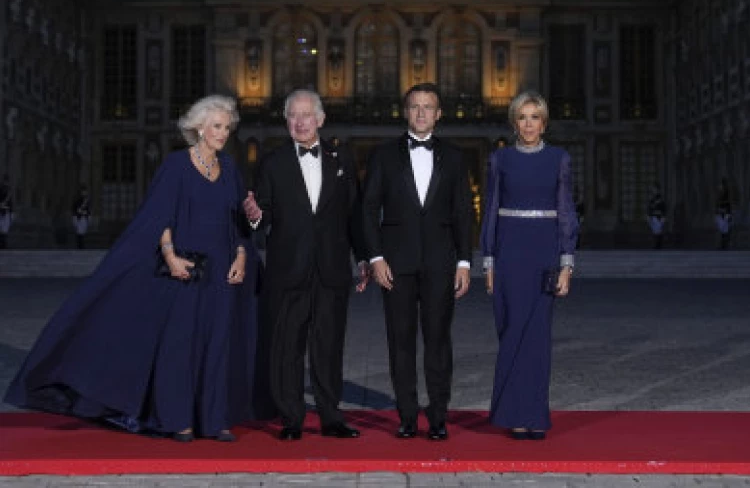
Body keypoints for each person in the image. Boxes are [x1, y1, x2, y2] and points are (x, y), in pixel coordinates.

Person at [5, 95, 270, 442]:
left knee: (217, 345)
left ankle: (214, 418)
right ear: (199, 128)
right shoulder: (177, 165)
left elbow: (237, 221)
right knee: (180, 346)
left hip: (223, 272)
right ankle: (179, 420)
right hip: (186, 270)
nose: (223, 133)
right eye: (217, 126)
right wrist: (170, 255)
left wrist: (241, 255)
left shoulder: (231, 169)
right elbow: (159, 216)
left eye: (227, 127)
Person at [243, 89, 369, 441]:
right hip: (288, 270)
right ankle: (291, 419)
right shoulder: (272, 162)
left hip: (331, 269)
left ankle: (331, 417)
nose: (300, 122)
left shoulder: (341, 157)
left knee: (328, 345)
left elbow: (354, 216)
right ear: (286, 122)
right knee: (287, 346)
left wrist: (364, 258)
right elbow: (261, 214)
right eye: (293, 116)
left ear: (320, 119)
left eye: (306, 115)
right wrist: (254, 217)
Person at [362, 82, 472, 441]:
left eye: (428, 107)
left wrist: (465, 261)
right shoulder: (383, 155)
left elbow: (462, 213)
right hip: (395, 264)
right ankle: (407, 416)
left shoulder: (455, 157)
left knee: (439, 342)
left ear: (439, 114)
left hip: (441, 263)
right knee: (401, 343)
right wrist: (375, 256)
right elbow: (367, 210)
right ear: (404, 112)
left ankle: (438, 416)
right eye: (414, 107)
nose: (421, 113)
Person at [480, 90, 577, 440]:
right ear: (514, 122)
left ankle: (534, 414)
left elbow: (566, 211)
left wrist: (567, 263)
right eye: (522, 117)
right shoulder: (499, 160)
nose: (529, 123)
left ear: (544, 122)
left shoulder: (559, 159)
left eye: (535, 116)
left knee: (536, 338)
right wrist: (488, 261)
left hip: (543, 254)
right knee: (511, 334)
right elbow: (490, 211)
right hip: (508, 254)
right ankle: (512, 415)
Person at [647, 183, 667, 250]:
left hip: (659, 217)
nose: (654, 190)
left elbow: (663, 208)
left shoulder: (660, 199)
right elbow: (649, 208)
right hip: (653, 217)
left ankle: (658, 245)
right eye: (653, 189)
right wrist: (649, 216)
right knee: (655, 232)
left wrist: (663, 217)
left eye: (655, 189)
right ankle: (655, 245)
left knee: (659, 231)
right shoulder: (652, 199)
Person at [715, 178, 732, 250]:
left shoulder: (726, 194)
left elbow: (727, 204)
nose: (719, 186)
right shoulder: (720, 194)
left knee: (725, 229)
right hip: (722, 213)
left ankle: (725, 245)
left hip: (726, 213)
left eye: (721, 185)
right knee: (723, 230)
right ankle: (723, 245)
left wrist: (723, 210)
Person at [0, 174, 13, 249]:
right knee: (3, 229)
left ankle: (3, 244)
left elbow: (10, 202)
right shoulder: (4, 189)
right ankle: (3, 244)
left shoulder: (8, 189)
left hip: (5, 210)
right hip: (3, 211)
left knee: (4, 229)